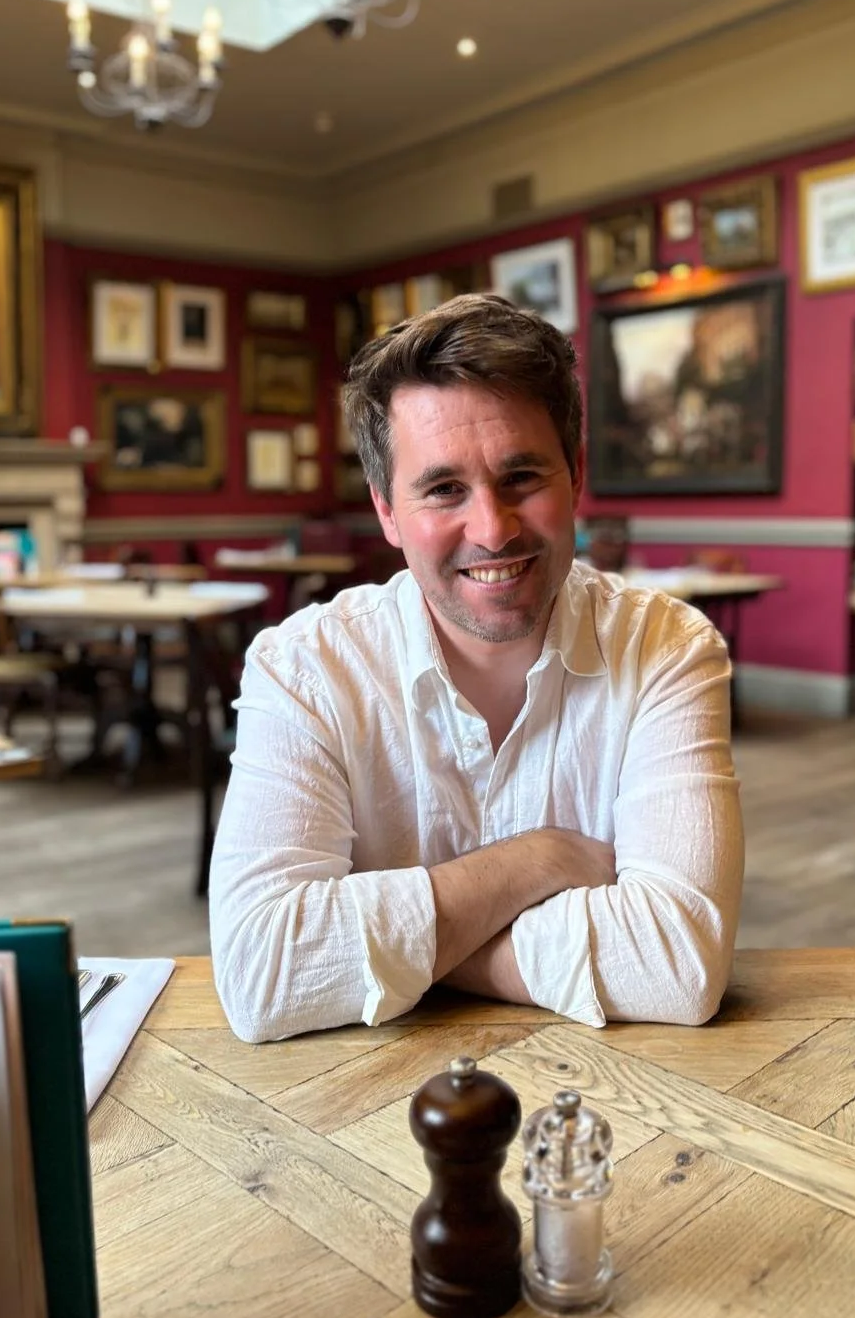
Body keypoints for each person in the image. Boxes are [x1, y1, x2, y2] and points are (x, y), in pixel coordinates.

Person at [210, 293, 744, 1042]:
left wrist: (408, 945)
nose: (492, 530)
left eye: (523, 477)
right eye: (443, 490)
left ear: (576, 476)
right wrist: (539, 859)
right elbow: (263, 973)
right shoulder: (304, 668)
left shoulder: (667, 649)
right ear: (387, 511)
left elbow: (679, 963)